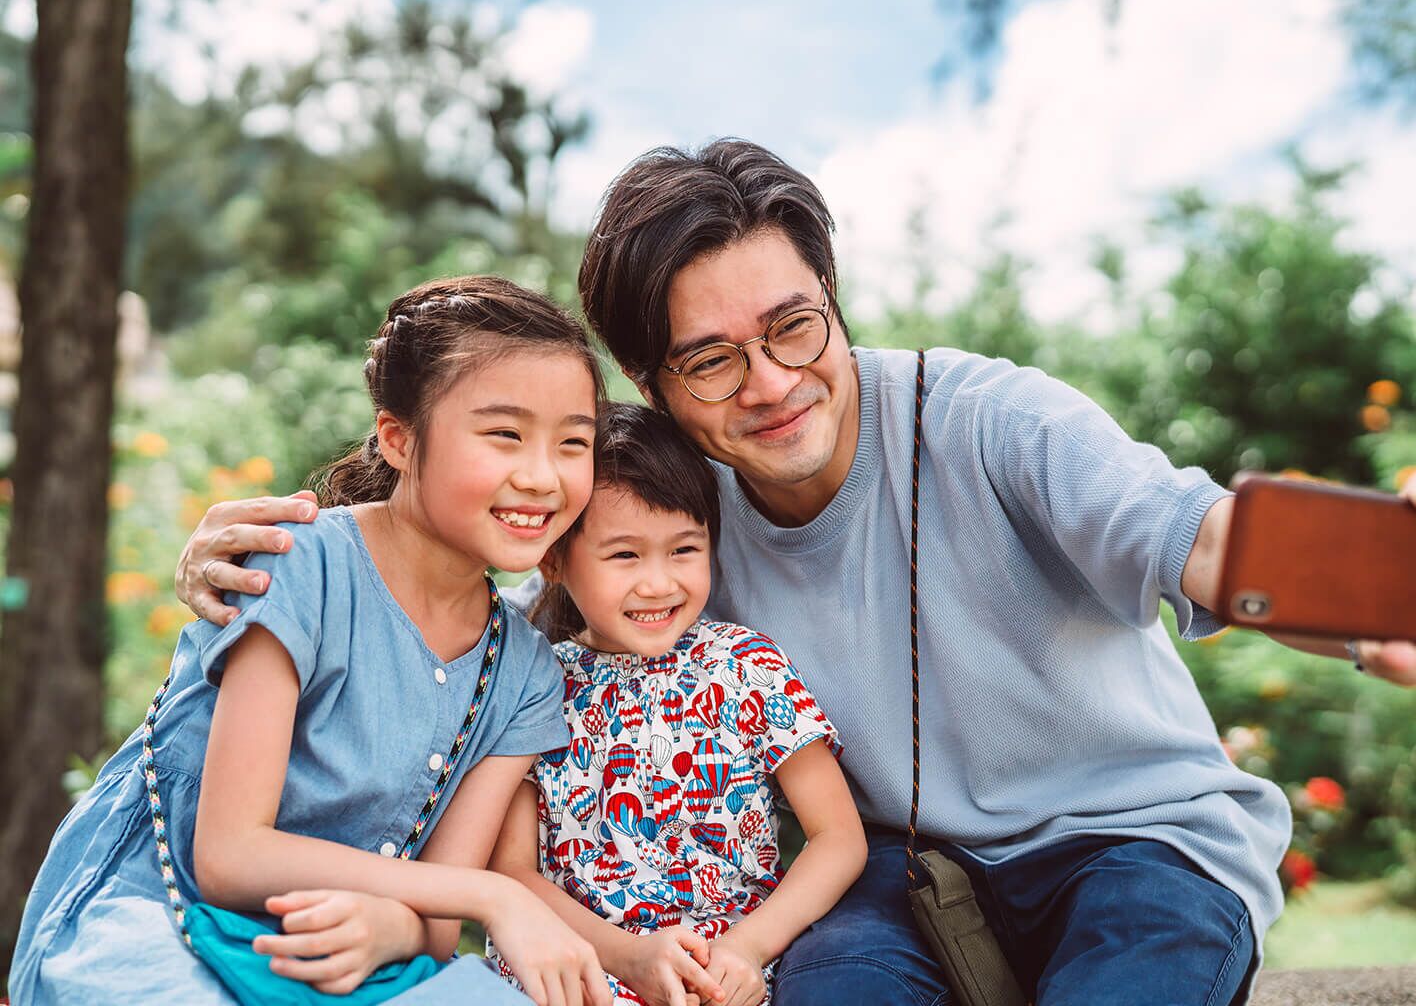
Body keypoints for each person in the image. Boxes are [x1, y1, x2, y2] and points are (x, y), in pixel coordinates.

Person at [175, 141, 1416, 1006]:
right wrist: (283, 551)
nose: (770, 385)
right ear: (655, 390)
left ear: (831, 296)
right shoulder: (677, 512)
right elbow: (498, 591)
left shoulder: (992, 420)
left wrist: (1373, 609)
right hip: (891, 873)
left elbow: (1197, 538)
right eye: (711, 361)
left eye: (792, 328)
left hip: (1138, 843)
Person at [13, 276, 615, 1006]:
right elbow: (230, 854)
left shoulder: (520, 671)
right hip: (151, 918)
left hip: (339, 955)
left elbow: (430, 928)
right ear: (399, 439)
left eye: (573, 443)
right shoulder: (300, 566)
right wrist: (496, 897)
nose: (541, 476)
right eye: (505, 435)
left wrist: (394, 926)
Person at [485, 403, 866, 1006]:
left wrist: (748, 947)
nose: (659, 583)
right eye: (625, 556)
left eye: (684, 550)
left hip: (729, 975)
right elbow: (513, 872)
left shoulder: (745, 666)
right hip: (577, 970)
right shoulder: (531, 682)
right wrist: (626, 958)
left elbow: (839, 836)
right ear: (554, 558)